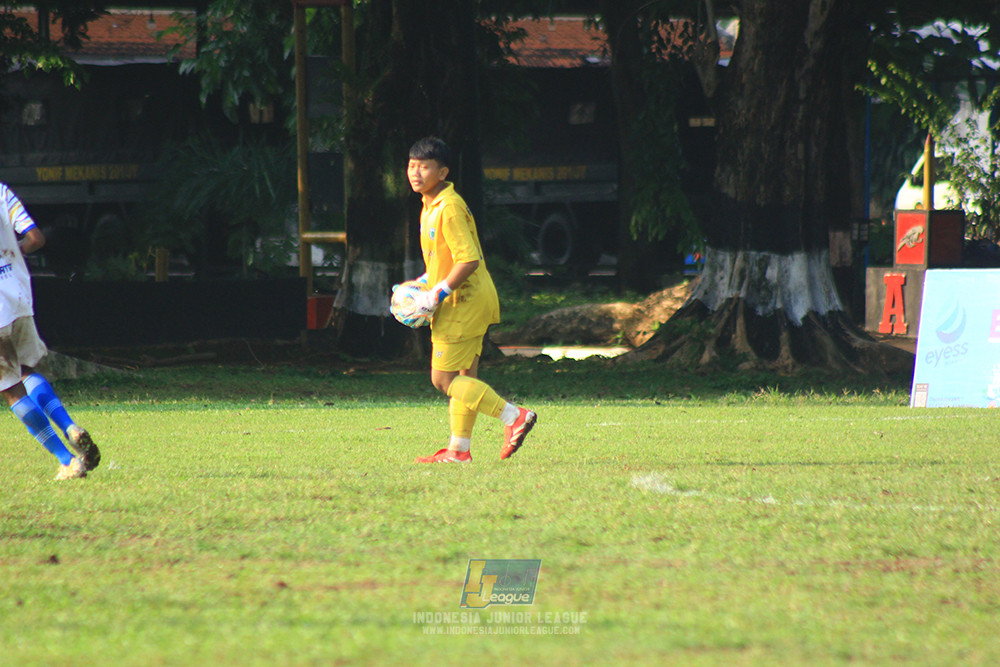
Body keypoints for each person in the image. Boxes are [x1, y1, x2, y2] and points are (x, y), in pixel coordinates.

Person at [404, 136, 536, 463]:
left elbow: (468, 260)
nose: (415, 172)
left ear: (443, 171)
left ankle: (514, 416)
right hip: (466, 300)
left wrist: (438, 292)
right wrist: (421, 285)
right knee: (465, 377)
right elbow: (443, 262)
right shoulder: (430, 204)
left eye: (424, 166)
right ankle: (459, 450)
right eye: (411, 165)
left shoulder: (447, 208)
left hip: (463, 304)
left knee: (443, 379)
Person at [1, 182, 100, 480]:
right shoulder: (2, 191)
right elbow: (36, 238)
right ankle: (69, 426)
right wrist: (10, 256)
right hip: (18, 295)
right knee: (27, 371)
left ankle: (67, 460)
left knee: (10, 387)